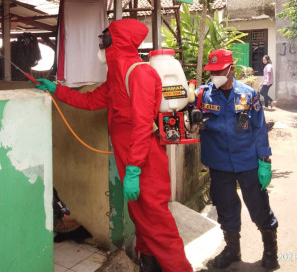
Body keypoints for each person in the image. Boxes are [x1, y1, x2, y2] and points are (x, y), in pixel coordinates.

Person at [32, 19, 192, 272]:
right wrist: (57, 90)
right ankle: (150, 265)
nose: (102, 46)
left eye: (106, 40)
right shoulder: (117, 74)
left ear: (121, 42)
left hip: (144, 162)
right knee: (141, 220)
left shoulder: (140, 73)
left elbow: (141, 125)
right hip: (131, 159)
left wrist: (134, 169)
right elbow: (91, 100)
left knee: (158, 223)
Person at [196, 49, 279, 270]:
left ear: (231, 69)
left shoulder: (248, 95)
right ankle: (232, 250)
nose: (215, 75)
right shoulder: (202, 95)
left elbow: (259, 128)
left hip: (248, 161)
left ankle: (270, 250)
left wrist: (265, 160)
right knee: (225, 207)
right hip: (219, 163)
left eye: (219, 70)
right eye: (211, 71)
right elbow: (178, 104)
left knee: (259, 205)